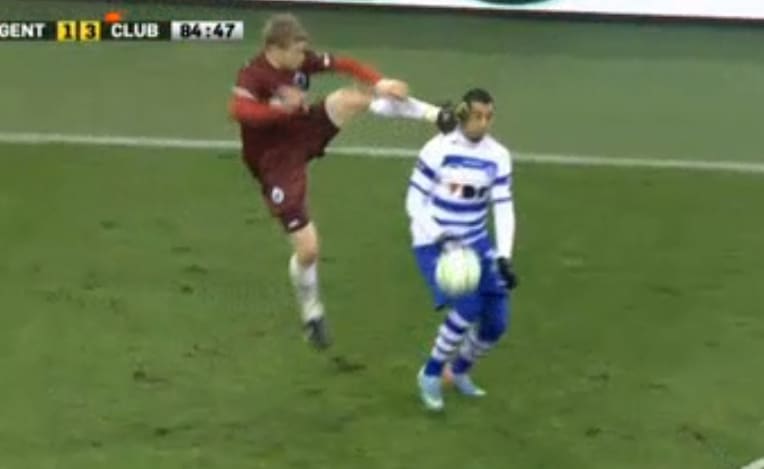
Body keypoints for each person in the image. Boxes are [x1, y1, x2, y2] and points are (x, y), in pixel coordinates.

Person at [229, 13, 457, 350]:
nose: (302, 58)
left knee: (350, 98)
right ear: (276, 49)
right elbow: (240, 111)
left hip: (302, 131)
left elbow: (343, 63)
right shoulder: (253, 75)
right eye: (296, 51)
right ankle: (311, 312)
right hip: (275, 163)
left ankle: (437, 115)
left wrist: (380, 82)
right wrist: (281, 110)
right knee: (308, 249)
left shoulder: (298, 61)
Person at [405, 88, 518, 411]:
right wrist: (439, 237)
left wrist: (504, 256)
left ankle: (458, 371)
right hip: (433, 240)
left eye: (489, 117)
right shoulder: (437, 149)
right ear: (464, 114)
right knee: (468, 307)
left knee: (497, 321)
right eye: (477, 116)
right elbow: (413, 202)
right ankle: (430, 374)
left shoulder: (498, 156)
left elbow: (503, 207)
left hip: (475, 239)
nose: (483, 123)